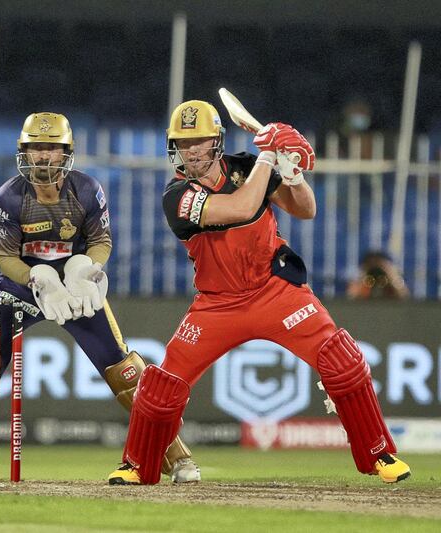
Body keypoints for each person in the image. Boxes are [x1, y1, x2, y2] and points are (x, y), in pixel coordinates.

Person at [107, 101, 410, 485]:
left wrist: (293, 173)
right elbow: (241, 207)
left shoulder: (247, 167)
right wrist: (269, 154)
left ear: (216, 142)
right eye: (184, 144)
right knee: (160, 387)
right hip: (217, 304)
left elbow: (306, 209)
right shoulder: (177, 196)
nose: (192, 151)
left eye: (199, 142)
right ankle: (136, 466)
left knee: (343, 361)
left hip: (275, 291)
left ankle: (379, 454)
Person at [0, 112, 200, 483]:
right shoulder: (9, 195)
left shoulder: (86, 190)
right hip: (25, 285)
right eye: (36, 148)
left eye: (51, 148)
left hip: (74, 286)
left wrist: (87, 269)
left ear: (66, 152)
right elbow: (4, 256)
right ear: (24, 151)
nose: (43, 157)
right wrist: (35, 275)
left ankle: (177, 457)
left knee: (125, 371)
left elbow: (102, 241)